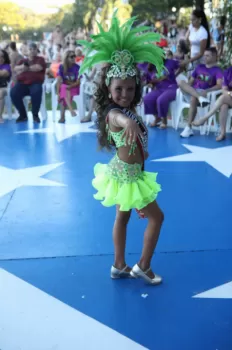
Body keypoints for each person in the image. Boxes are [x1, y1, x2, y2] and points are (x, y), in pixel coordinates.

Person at [78, 13, 165, 285]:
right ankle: (143, 266)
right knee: (157, 218)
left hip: (125, 169)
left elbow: (136, 135)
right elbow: (116, 119)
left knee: (122, 218)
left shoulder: (129, 109)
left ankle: (118, 265)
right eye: (119, 89)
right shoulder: (115, 113)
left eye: (129, 88)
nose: (125, 94)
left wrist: (142, 150)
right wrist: (126, 120)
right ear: (108, 86)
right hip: (128, 176)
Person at [178, 47, 223, 138]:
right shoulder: (199, 67)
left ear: (214, 56)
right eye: (204, 55)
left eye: (207, 56)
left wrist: (207, 91)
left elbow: (219, 85)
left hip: (205, 95)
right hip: (194, 93)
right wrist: (185, 87)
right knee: (181, 82)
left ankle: (188, 127)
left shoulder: (217, 70)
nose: (204, 58)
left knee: (194, 98)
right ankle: (199, 97)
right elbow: (190, 82)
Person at [193, 62, 232, 141]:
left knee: (223, 98)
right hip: (230, 97)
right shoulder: (228, 71)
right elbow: (224, 89)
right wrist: (229, 93)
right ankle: (222, 133)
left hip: (228, 97)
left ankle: (204, 119)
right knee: (223, 105)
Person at [10, 43, 46, 123]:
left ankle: (35, 115)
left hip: (35, 83)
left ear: (37, 50)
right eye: (30, 49)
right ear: (27, 50)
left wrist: (26, 68)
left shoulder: (40, 59)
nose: (32, 51)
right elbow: (15, 69)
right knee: (13, 93)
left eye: (34, 49)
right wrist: (22, 67)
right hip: (23, 83)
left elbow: (38, 68)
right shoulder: (23, 60)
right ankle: (23, 115)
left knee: (36, 91)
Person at [143, 58, 180, 129]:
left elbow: (184, 66)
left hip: (171, 87)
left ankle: (164, 121)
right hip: (159, 89)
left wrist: (176, 74)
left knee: (161, 99)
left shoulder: (170, 62)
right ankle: (157, 118)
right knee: (147, 99)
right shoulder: (150, 67)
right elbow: (148, 81)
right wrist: (150, 84)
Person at [57, 50, 81, 123]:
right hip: (65, 89)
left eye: (74, 56)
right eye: (71, 56)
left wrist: (71, 86)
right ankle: (71, 110)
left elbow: (78, 82)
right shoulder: (61, 67)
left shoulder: (77, 67)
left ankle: (63, 116)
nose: (74, 58)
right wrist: (58, 93)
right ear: (66, 58)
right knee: (64, 89)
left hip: (74, 87)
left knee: (64, 91)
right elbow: (59, 81)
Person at [0, 49, 11, 123]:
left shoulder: (7, 66)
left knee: (1, 93)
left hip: (4, 87)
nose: (0, 58)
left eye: (2, 57)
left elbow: (3, 74)